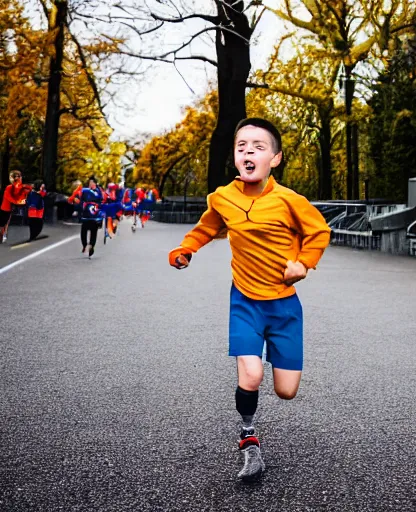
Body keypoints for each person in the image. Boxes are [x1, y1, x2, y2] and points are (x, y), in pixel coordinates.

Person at [168, 118, 331, 481]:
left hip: (284, 306)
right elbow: (208, 227)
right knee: (252, 374)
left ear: (275, 158)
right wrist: (186, 249)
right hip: (244, 300)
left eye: (258, 146)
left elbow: (319, 231)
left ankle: (256, 415)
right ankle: (248, 436)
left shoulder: (290, 200)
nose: (248, 152)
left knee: (286, 391)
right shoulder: (222, 197)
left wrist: (303, 264)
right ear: (235, 158)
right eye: (242, 147)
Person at [0, 170, 32, 244]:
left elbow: (29, 189)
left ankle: (3, 235)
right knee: (2, 223)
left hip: (10, 209)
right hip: (4, 208)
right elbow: (9, 197)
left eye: (19, 176)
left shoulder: (19, 187)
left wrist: (24, 187)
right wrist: (17, 201)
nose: (18, 178)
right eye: (16, 176)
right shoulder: (9, 187)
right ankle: (2, 235)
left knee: (6, 223)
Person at [77, 176, 104, 258]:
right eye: (89, 183)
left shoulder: (99, 192)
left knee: (93, 232)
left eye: (92, 182)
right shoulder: (85, 191)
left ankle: (91, 246)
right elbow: (80, 200)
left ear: (95, 183)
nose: (90, 184)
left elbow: (102, 201)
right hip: (86, 214)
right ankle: (85, 245)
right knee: (83, 231)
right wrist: (79, 209)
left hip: (94, 214)